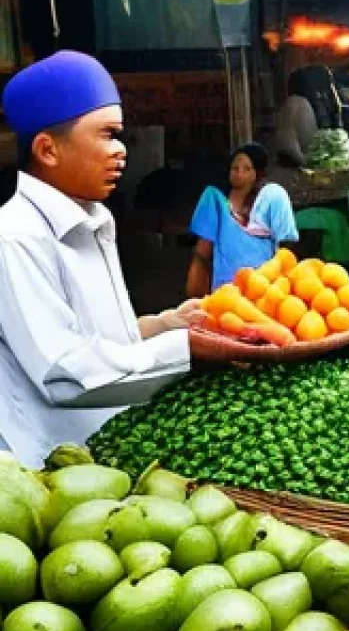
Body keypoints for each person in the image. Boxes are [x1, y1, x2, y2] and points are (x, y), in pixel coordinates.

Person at [0, 51, 204, 466]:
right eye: (107, 134)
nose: (121, 151)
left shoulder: (95, 220)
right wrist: (190, 348)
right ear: (48, 150)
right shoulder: (15, 237)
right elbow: (65, 372)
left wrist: (163, 325)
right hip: (50, 471)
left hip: (113, 451)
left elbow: (100, 340)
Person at [186, 143, 298, 296]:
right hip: (225, 291)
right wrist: (196, 296)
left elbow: (285, 246)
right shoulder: (215, 200)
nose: (239, 173)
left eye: (246, 168)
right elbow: (202, 252)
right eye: (235, 168)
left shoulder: (272, 196)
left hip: (262, 288)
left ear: (257, 173)